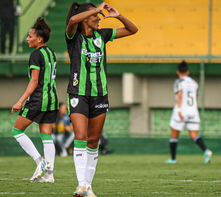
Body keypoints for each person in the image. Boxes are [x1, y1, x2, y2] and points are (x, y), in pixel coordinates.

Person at [65, 2, 138, 196]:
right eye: (95, 16)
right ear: (86, 17)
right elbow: (72, 20)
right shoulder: (73, 36)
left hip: (100, 94)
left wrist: (119, 16)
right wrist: (97, 8)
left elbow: (133, 30)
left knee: (93, 141)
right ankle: (80, 185)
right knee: (80, 137)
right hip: (78, 94)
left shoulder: (102, 35)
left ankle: (87, 187)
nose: (99, 18)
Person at [11, 17, 58, 183]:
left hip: (38, 99)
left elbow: (34, 81)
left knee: (17, 130)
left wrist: (20, 101)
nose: (27, 39)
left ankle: (40, 161)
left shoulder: (36, 55)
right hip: (52, 99)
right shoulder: (51, 53)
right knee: (46, 136)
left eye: (30, 36)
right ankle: (49, 175)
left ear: (39, 38)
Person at [166, 61, 212, 164]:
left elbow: (179, 96)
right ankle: (206, 150)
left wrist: (179, 110)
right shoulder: (194, 83)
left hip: (181, 111)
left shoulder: (179, 82)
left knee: (174, 135)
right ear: (188, 72)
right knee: (194, 135)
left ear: (178, 72)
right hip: (193, 111)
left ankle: (173, 159)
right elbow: (196, 98)